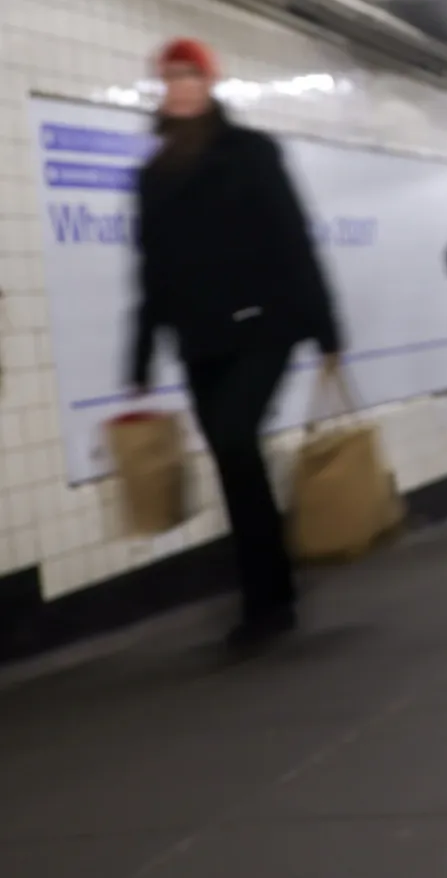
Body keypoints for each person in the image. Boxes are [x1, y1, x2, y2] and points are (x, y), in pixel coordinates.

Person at [128, 38, 342, 652]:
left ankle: (266, 599)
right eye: (171, 78)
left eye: (191, 76)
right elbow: (150, 270)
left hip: (264, 327)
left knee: (232, 437)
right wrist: (140, 355)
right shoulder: (155, 174)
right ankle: (270, 583)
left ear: (210, 84)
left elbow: (292, 237)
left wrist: (325, 325)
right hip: (200, 339)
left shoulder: (252, 154)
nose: (182, 87)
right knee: (232, 459)